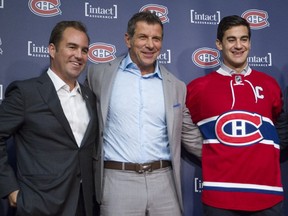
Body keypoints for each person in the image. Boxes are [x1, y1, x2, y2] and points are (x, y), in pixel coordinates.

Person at [85, 11, 202, 216]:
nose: (150, 45)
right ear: (128, 40)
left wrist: (230, 159)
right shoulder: (99, 74)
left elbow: (189, 135)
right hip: (117, 181)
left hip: (164, 182)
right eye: (143, 37)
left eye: (156, 38)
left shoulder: (175, 86)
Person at [186, 15, 284, 215]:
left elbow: (281, 125)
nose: (238, 46)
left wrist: (267, 153)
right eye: (231, 39)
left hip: (268, 195)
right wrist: (214, 151)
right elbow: (183, 128)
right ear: (219, 44)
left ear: (249, 42)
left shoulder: (270, 84)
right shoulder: (197, 89)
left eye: (244, 39)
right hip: (220, 197)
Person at [0, 21, 98, 216]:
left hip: (84, 204)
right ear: (52, 50)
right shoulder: (26, 93)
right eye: (72, 47)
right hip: (40, 205)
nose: (79, 55)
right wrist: (10, 189)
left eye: (84, 50)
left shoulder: (90, 96)